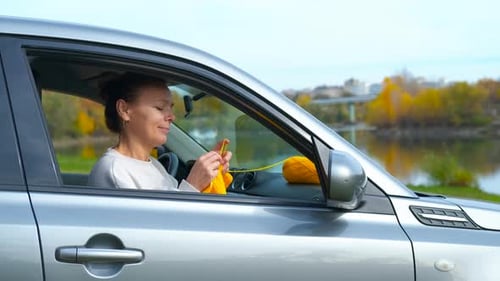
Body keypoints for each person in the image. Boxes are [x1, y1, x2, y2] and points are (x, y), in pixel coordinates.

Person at [88, 72, 232, 192]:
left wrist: (209, 176)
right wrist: (193, 184)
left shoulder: (155, 165)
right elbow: (154, 224)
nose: (171, 117)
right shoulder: (113, 170)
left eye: (170, 108)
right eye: (160, 108)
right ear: (125, 110)